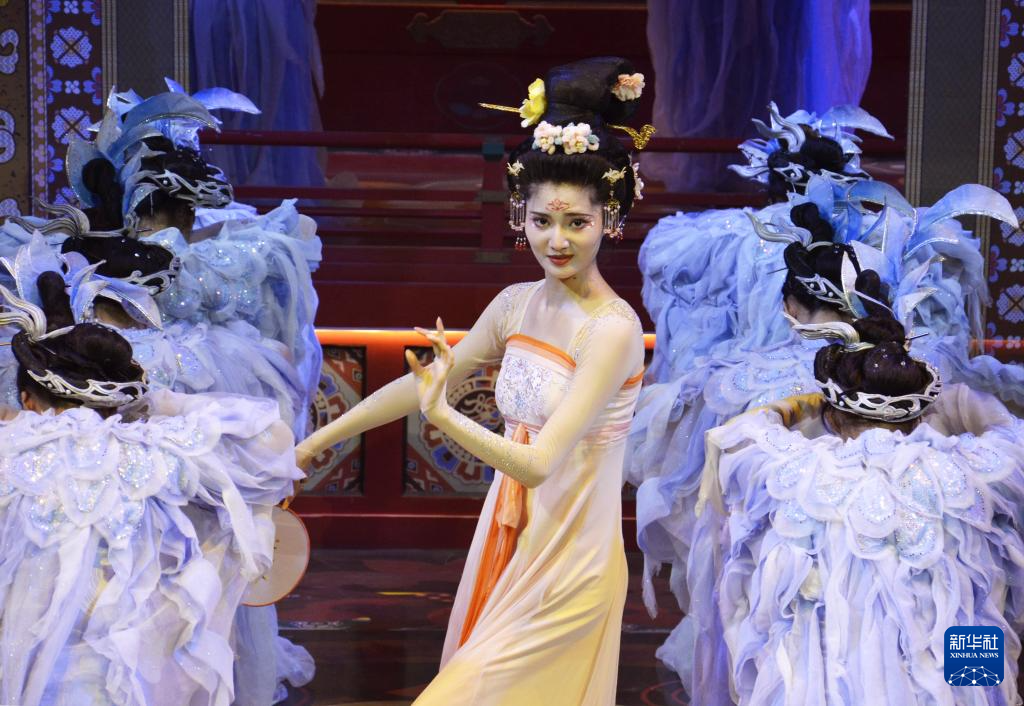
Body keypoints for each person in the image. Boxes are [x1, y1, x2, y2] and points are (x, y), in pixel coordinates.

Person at [296, 57, 649, 705]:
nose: (557, 240)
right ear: (521, 217)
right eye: (542, 221)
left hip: (572, 563)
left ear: (610, 219)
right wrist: (316, 443)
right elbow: (423, 381)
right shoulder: (515, 304)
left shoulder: (612, 330)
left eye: (577, 222)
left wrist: (443, 416)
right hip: (510, 540)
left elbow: (538, 463)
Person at [0, 273, 302, 705]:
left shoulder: (10, 451)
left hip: (21, 667)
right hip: (127, 674)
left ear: (28, 399)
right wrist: (160, 404)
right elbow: (270, 439)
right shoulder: (160, 452)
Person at [697, 310, 1024, 705]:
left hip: (827, 685)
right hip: (953, 674)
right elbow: (1010, 433)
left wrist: (801, 405)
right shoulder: (968, 472)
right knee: (970, 602)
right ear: (921, 416)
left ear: (832, 416)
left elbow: (740, 433)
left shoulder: (800, 473)